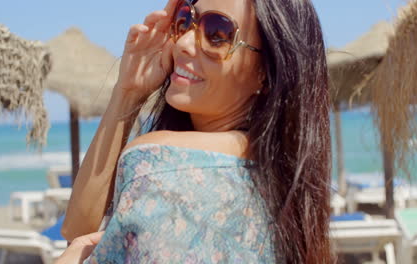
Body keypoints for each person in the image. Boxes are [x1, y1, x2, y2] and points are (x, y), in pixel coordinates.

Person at [59, 0, 332, 262]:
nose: (184, 43)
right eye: (186, 20)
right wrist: (129, 91)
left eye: (217, 33)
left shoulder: (159, 160)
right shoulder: (279, 182)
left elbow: (75, 239)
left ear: (266, 73)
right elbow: (79, 232)